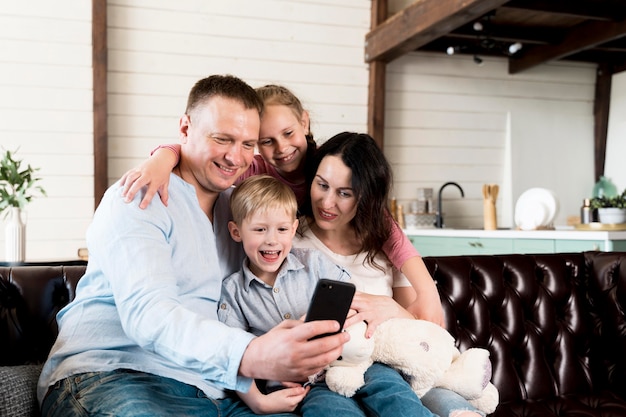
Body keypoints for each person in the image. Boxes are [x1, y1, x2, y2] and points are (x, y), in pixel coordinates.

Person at [36, 74, 350, 417]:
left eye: (248, 144)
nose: (236, 157)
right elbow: (149, 315)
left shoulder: (242, 213)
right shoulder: (138, 197)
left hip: (214, 388)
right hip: (115, 374)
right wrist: (253, 354)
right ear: (185, 128)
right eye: (222, 139)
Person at [119, 83, 445, 329]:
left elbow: (389, 232)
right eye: (265, 141)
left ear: (304, 122)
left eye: (288, 133)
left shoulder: (330, 164)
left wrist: (427, 293)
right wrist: (164, 158)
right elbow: (205, 159)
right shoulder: (258, 169)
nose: (282, 149)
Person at [295, 131, 486, 417]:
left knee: (436, 402)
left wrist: (392, 308)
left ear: (365, 196)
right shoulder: (289, 238)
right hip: (326, 376)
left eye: (344, 193)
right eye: (322, 185)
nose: (326, 202)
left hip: (390, 370)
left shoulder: (384, 245)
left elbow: (427, 329)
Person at [219, 174, 436, 417]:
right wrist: (258, 400)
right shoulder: (234, 291)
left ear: (293, 230)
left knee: (391, 391)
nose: (272, 240)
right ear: (236, 232)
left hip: (353, 360)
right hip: (304, 385)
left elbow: (354, 305)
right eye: (260, 229)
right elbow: (233, 356)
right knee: (330, 411)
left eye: (281, 229)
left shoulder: (314, 264)